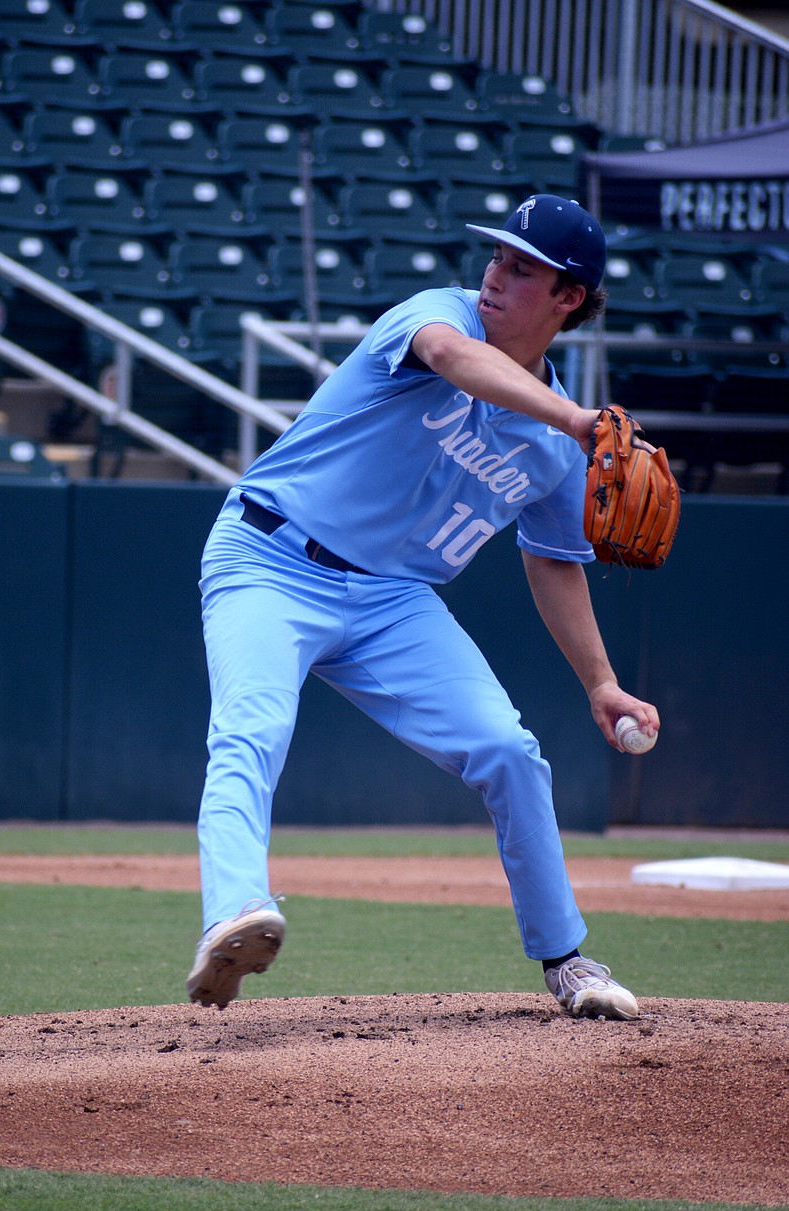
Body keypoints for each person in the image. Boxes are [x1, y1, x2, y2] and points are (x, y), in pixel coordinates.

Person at [188, 193, 658, 1021]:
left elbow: (554, 562)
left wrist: (601, 683)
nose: (495, 276)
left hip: (392, 602)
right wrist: (580, 421)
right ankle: (234, 914)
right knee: (252, 727)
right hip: (268, 555)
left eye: (523, 267)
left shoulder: (557, 445)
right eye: (497, 256)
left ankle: (567, 959)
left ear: (568, 298)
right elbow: (449, 357)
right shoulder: (442, 317)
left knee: (509, 749)